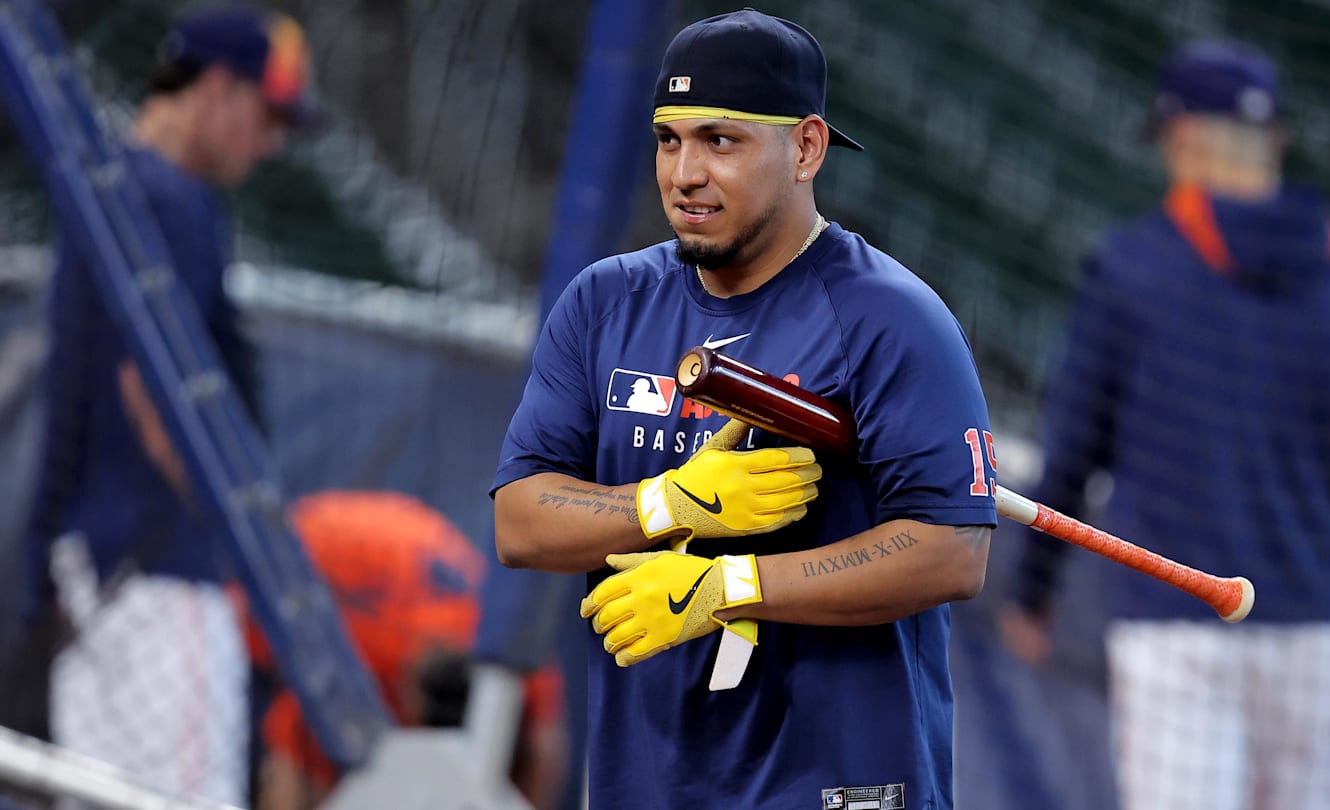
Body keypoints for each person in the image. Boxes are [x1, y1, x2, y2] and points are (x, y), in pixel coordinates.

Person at [491, 9, 996, 809]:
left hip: (839, 783)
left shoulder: (892, 318)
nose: (684, 172)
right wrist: (668, 502)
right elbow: (520, 521)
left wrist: (728, 586)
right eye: (669, 139)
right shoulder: (604, 302)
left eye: (720, 141)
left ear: (805, 148)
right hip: (646, 782)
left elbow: (949, 554)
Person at [997, 42, 1330, 810]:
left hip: (1176, 619)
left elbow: (1075, 442)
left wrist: (1033, 589)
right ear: (1277, 141)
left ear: (1182, 137)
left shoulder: (1134, 266)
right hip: (1316, 625)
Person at [19, 5, 320, 803]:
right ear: (217, 89)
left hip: (102, 564)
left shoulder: (118, 183)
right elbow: (153, 392)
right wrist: (229, 532)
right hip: (159, 570)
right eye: (268, 114)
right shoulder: (173, 197)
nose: (272, 142)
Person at [243, 491, 567, 810]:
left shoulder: (518, 673)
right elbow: (289, 753)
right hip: (282, 557)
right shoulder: (374, 642)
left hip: (371, 557)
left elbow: (544, 745)